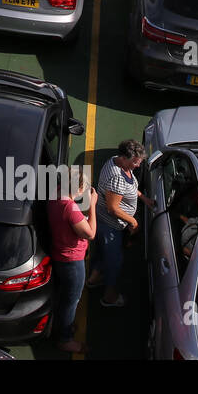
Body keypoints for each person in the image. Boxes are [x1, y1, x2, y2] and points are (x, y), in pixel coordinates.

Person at [86, 139, 154, 307]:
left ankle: (94, 279)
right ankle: (109, 297)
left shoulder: (117, 161)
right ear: (125, 158)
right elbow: (113, 208)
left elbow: (129, 186)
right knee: (114, 262)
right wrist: (133, 221)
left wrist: (143, 198)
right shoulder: (116, 177)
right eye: (135, 162)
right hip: (110, 227)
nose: (138, 166)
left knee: (102, 252)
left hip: (106, 224)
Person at [48, 172, 97, 353]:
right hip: (72, 262)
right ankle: (65, 339)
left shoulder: (55, 194)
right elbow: (90, 233)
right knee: (71, 300)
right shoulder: (69, 207)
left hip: (59, 255)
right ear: (78, 188)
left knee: (63, 297)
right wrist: (92, 206)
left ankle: (62, 326)